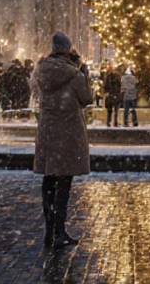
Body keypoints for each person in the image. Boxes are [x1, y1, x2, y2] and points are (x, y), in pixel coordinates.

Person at [30, 32, 93, 248]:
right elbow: (87, 98)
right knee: (64, 183)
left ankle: (49, 229)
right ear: (68, 50)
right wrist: (82, 71)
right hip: (67, 135)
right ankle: (60, 230)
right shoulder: (74, 75)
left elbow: (34, 91)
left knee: (49, 181)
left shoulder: (41, 71)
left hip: (48, 134)